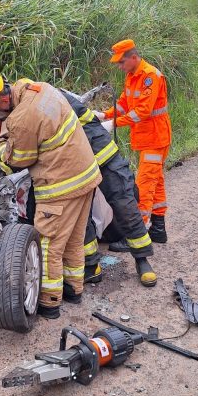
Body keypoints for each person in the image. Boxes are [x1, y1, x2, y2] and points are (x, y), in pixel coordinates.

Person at [0, 75, 100, 319]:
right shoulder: (38, 88)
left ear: (1, 100)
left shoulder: (22, 118)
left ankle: (49, 302)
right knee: (73, 240)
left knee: (47, 244)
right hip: (85, 176)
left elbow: (20, 158)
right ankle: (74, 290)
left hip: (61, 186)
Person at [59, 90, 157, 287]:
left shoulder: (49, 98)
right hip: (75, 163)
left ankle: (142, 260)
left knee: (124, 203)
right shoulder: (26, 106)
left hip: (100, 152)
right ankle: (91, 266)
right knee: (80, 213)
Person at [96, 39, 172, 243]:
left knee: (144, 185)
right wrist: (104, 116)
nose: (119, 67)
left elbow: (142, 112)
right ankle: (158, 229)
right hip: (146, 138)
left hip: (155, 137)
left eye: (121, 63)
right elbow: (123, 104)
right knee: (156, 181)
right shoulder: (132, 76)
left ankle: (135, 235)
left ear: (133, 57)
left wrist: (114, 124)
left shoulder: (150, 76)